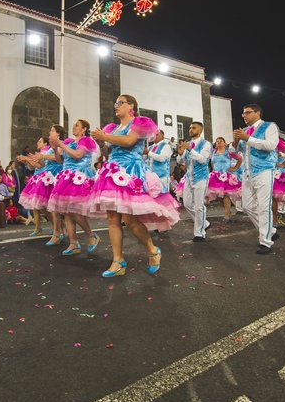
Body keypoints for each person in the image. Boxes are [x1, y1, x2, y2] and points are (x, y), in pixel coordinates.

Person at [89, 94, 181, 277]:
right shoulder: (113, 128)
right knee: (112, 219)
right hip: (112, 171)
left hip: (131, 171)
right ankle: (117, 261)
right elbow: (109, 150)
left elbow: (129, 141)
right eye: (115, 103)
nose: (116, 106)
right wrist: (101, 142)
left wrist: (105, 136)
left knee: (130, 220)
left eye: (120, 103)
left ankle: (152, 250)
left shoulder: (139, 123)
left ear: (131, 106)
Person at [47, 119, 100, 256]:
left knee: (75, 211)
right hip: (67, 176)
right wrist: (55, 149)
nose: (74, 127)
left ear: (84, 129)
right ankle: (73, 243)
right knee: (67, 211)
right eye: (74, 125)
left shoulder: (86, 140)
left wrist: (59, 144)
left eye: (77, 125)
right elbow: (59, 160)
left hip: (79, 176)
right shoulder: (69, 142)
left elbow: (77, 155)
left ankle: (91, 235)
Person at [232, 104, 281, 254]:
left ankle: (265, 241)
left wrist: (248, 138)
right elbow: (233, 151)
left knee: (263, 206)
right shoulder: (245, 131)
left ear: (257, 113)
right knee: (246, 206)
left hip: (265, 170)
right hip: (247, 173)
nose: (244, 115)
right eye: (243, 113)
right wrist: (235, 142)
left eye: (247, 112)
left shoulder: (269, 126)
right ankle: (270, 230)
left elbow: (271, 145)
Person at [28, 126, 67, 245]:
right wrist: (29, 160)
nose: (50, 132)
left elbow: (58, 158)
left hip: (55, 174)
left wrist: (42, 156)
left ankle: (61, 231)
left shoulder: (61, 144)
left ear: (58, 134)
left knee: (54, 207)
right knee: (49, 206)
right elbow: (40, 164)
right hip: (48, 175)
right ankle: (59, 231)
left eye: (52, 131)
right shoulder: (51, 147)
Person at [175, 122, 212, 242]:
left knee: (199, 206)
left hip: (201, 177)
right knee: (187, 204)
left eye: (194, 128)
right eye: (190, 127)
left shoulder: (206, 144)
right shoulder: (189, 144)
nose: (191, 129)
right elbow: (181, 160)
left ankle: (199, 233)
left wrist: (190, 149)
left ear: (200, 130)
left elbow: (203, 160)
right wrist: (180, 153)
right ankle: (204, 223)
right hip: (189, 177)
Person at [17, 136, 60, 237]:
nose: (38, 142)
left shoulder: (47, 153)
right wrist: (27, 161)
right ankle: (38, 228)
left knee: (43, 206)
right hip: (37, 177)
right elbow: (32, 167)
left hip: (44, 178)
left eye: (40, 141)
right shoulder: (40, 153)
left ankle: (56, 226)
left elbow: (40, 165)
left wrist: (27, 158)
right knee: (35, 206)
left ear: (45, 144)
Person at [205, 137, 242, 222]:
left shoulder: (228, 152)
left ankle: (226, 213)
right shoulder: (213, 152)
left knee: (226, 195)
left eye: (221, 141)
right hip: (216, 176)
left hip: (226, 175)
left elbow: (240, 158)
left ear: (225, 143)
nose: (219, 142)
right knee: (218, 196)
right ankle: (227, 210)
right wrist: (213, 171)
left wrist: (235, 168)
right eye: (217, 141)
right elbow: (212, 162)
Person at [145, 129, 173, 194]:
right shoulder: (150, 147)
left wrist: (148, 153)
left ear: (162, 136)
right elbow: (146, 159)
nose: (154, 136)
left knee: (163, 198)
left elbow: (162, 158)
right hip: (151, 178)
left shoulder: (166, 146)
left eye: (157, 134)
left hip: (162, 177)